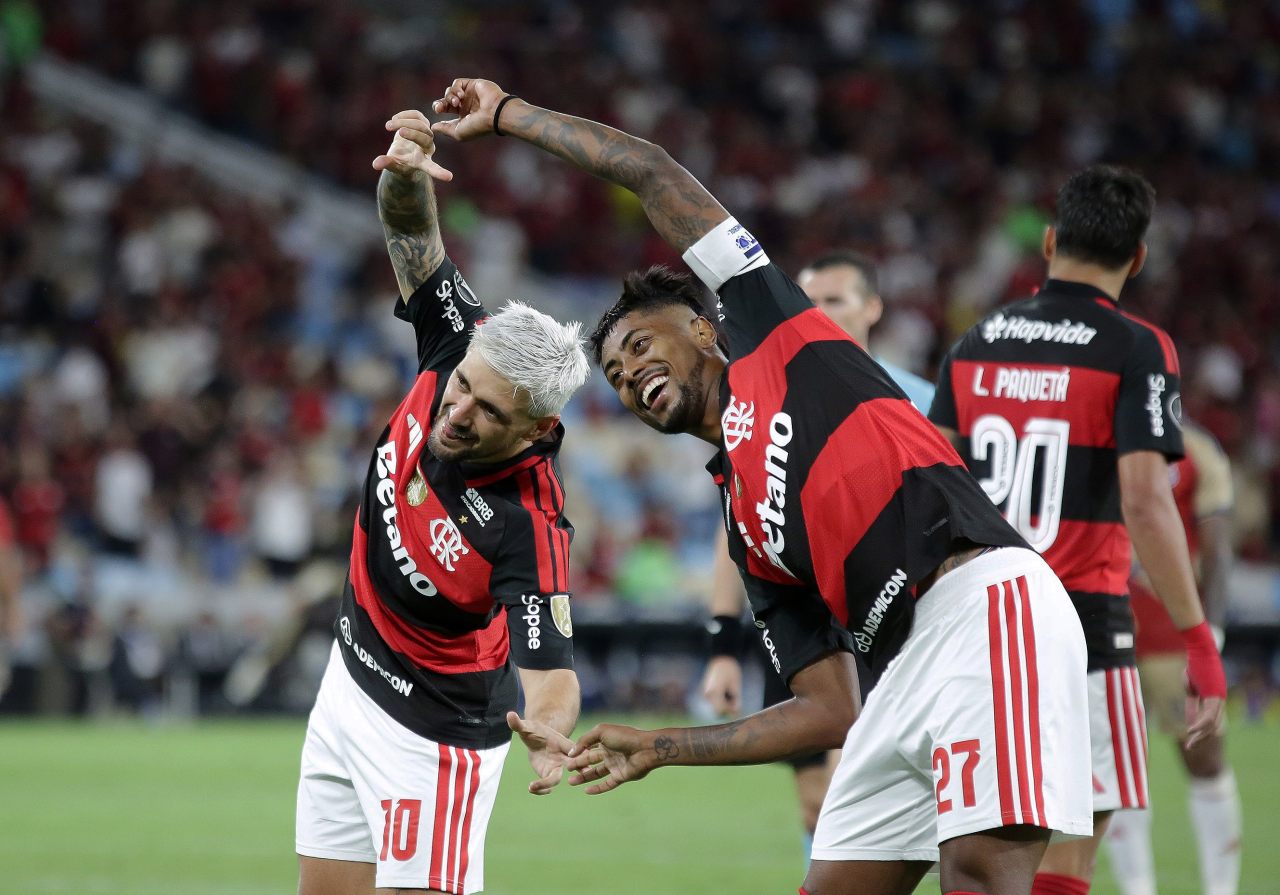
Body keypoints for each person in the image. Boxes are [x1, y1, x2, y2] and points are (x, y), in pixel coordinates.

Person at [431, 78, 1093, 895]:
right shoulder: (745, 523)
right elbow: (827, 708)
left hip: (979, 605)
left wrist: (508, 117)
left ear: (704, 328)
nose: (631, 372)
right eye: (615, 374)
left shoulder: (779, 335)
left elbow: (651, 171)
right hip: (898, 674)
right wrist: (664, 745)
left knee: (981, 874)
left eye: (641, 344)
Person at [295, 111, 590, 895]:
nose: (455, 412)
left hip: (432, 739)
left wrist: (550, 731)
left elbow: (553, 672)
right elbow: (408, 228)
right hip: (348, 678)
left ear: (538, 426)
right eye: (460, 388)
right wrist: (404, 169)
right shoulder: (462, 335)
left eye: (488, 413)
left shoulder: (530, 524)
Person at [927, 166, 1228, 895]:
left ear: (1052, 240)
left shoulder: (975, 343)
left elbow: (926, 491)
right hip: (1084, 629)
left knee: (978, 850)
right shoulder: (1136, 347)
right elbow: (1148, 502)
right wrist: (1198, 638)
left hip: (977, 628)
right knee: (1070, 854)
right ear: (1139, 258)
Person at [701, 249, 936, 860]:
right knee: (816, 797)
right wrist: (724, 643)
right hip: (806, 616)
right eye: (810, 303)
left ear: (874, 309)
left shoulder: (920, 401)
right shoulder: (766, 399)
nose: (821, 314)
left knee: (871, 786)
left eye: (836, 301)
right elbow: (740, 527)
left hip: (893, 614)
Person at [1104, 421, 1242, 895]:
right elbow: (1220, 548)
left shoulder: (1194, 448)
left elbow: (1220, 551)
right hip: (1114, 630)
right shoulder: (1195, 447)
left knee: (1192, 761)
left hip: (1148, 634)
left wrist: (1212, 632)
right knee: (1120, 770)